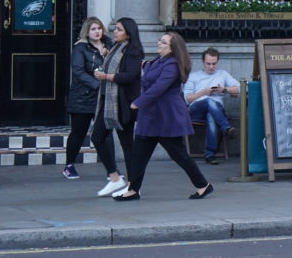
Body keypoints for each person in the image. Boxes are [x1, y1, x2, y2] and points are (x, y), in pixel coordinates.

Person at [115, 32, 212, 202]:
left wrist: (138, 102)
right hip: (150, 117)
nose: (158, 42)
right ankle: (133, 190)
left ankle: (203, 185)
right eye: (160, 40)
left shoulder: (173, 65)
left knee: (179, 154)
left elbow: (159, 87)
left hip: (166, 117)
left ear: (172, 47)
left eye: (163, 41)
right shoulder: (156, 61)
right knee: (138, 155)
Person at [91, 17, 143, 197]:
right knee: (97, 137)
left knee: (127, 144)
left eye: (119, 29)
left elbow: (129, 76)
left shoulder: (133, 51)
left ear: (128, 32)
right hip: (108, 102)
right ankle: (115, 178)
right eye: (115, 29)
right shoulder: (115, 48)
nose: (115, 32)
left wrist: (106, 76)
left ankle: (133, 186)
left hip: (123, 103)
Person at [63, 16, 111, 180]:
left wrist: (107, 55)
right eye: (93, 29)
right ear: (87, 31)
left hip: (103, 97)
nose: (97, 32)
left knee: (106, 133)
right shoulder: (80, 48)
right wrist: (97, 84)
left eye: (99, 28)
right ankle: (69, 165)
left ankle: (111, 170)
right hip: (83, 97)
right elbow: (78, 71)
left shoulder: (110, 45)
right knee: (78, 132)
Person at [183, 47, 239, 165]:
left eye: (214, 63)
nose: (211, 67)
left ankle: (209, 155)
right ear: (203, 62)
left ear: (217, 62)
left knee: (211, 116)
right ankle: (226, 128)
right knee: (209, 100)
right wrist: (204, 92)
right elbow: (187, 99)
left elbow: (239, 88)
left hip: (216, 111)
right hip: (196, 110)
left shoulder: (222, 74)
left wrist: (224, 89)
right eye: (208, 63)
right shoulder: (193, 76)